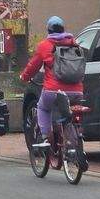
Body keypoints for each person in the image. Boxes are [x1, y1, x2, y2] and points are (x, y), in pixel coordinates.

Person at [19, 16, 85, 152]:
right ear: (63, 29)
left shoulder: (44, 46)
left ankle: (45, 138)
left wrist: (24, 77)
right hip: (77, 91)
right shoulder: (75, 44)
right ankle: (74, 139)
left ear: (48, 30)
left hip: (53, 90)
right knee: (71, 113)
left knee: (43, 108)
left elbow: (33, 66)